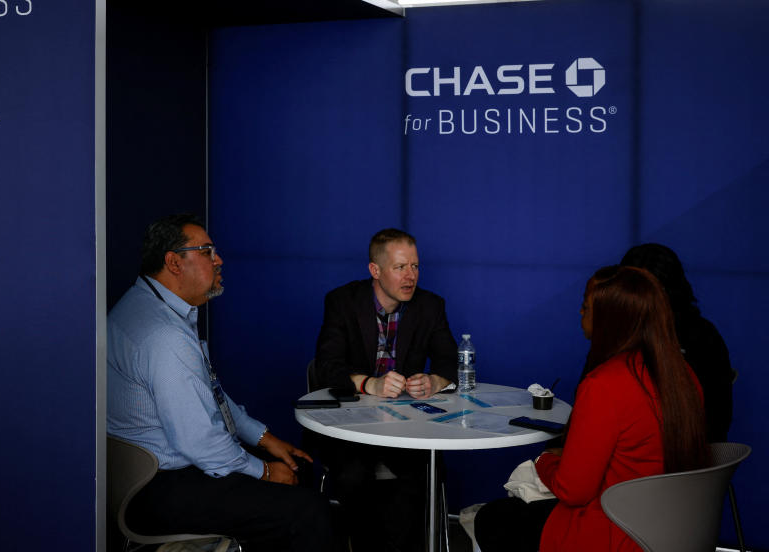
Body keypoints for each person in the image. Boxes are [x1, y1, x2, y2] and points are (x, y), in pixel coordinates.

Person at [107, 214, 331, 552]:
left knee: (299, 470)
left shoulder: (147, 306)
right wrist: (266, 473)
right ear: (173, 262)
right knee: (310, 512)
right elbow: (201, 444)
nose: (219, 260)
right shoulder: (164, 335)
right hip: (161, 487)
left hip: (155, 472)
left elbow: (211, 396)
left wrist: (265, 439)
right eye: (207, 251)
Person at [473, 266, 710, 552]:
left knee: (493, 519)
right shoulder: (684, 374)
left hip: (614, 532)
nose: (581, 314)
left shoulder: (605, 383)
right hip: (675, 528)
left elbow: (574, 490)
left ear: (611, 320)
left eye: (586, 308)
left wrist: (545, 461)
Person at [313, 228, 458, 551]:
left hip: (405, 426)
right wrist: (369, 383)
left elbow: (450, 361)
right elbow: (327, 366)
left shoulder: (430, 306)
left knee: (425, 473)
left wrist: (434, 381)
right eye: (400, 267)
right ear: (375, 271)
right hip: (350, 427)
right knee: (353, 475)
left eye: (415, 266)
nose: (411, 277)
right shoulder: (342, 302)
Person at [620, 242, 733, 441]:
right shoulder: (618, 333)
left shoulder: (702, 336)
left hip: (686, 455)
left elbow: (717, 417)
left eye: (649, 290)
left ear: (670, 290)